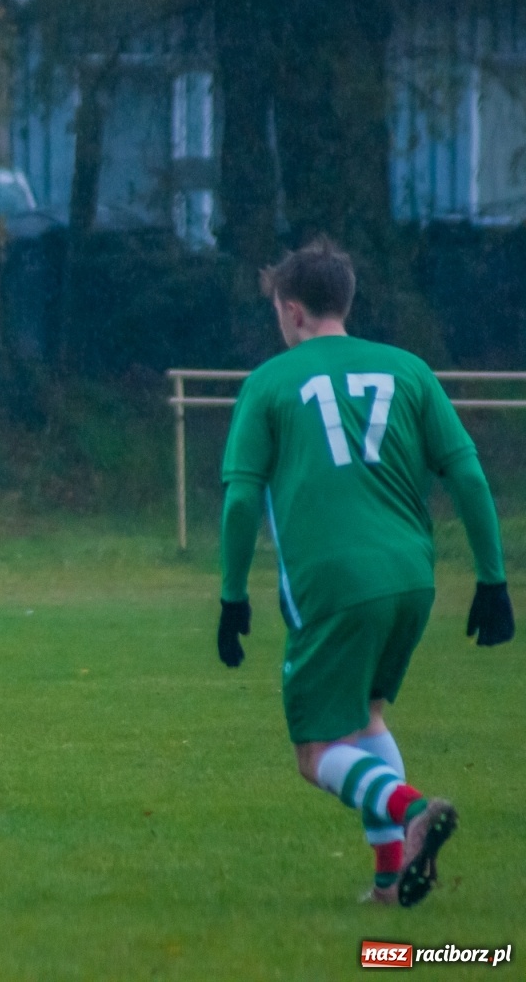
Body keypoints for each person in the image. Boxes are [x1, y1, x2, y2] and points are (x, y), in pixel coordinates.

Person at [218, 238, 513, 907]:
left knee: (316, 751)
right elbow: (465, 473)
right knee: (366, 717)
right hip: (412, 577)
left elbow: (240, 499)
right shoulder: (408, 370)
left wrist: (232, 596)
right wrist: (493, 579)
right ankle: (390, 880)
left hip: (334, 584)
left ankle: (410, 808)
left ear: (292, 312)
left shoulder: (269, 382)